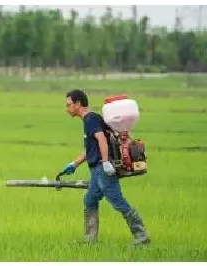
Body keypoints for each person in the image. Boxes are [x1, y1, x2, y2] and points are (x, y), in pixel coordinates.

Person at [60, 89, 150, 246]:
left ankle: (141, 236)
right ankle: (90, 239)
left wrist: (105, 162)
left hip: (102, 169)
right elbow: (91, 149)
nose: (67, 108)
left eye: (69, 105)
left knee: (117, 201)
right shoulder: (91, 119)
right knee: (90, 200)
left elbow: (101, 140)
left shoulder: (90, 120)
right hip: (97, 170)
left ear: (78, 104)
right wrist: (74, 164)